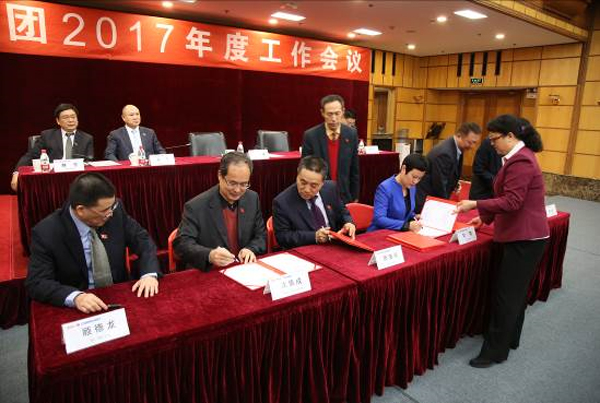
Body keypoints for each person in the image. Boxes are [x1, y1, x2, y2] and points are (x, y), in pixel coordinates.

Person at [455, 115, 549, 368]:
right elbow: (508, 198)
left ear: (510, 136)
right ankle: (510, 339)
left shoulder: (521, 161)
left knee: (506, 296)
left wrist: (475, 204)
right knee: (515, 294)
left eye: (494, 139)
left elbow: (512, 201)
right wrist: (484, 218)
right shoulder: (517, 157)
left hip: (525, 237)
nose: (491, 144)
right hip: (525, 235)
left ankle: (494, 352)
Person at [25, 172, 161, 314]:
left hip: (120, 294)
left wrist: (149, 274)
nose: (110, 213)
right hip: (81, 306)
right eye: (104, 211)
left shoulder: (115, 212)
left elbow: (142, 240)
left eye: (112, 206)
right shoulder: (47, 232)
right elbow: (37, 282)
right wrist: (76, 297)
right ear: (81, 210)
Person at [173, 152, 266, 271]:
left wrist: (251, 249)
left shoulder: (252, 199)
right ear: (220, 176)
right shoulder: (196, 206)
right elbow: (182, 244)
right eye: (232, 183)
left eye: (244, 184)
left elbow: (261, 235)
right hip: (211, 272)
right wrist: (209, 255)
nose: (237, 190)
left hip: (243, 269)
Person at [272, 156, 356, 249]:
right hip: (305, 250)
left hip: (334, 246)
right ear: (297, 175)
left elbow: (343, 212)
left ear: (322, 183)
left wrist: (348, 223)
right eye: (303, 182)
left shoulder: (331, 188)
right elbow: (283, 237)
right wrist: (314, 236)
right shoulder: (282, 202)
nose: (307, 189)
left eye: (313, 185)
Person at [11, 103, 94, 192]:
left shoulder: (87, 138)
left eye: (73, 117)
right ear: (58, 121)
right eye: (66, 117)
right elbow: (30, 155)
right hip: (52, 179)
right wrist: (16, 173)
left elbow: (89, 161)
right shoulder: (47, 136)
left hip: (76, 179)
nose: (71, 120)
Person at [302, 94, 360, 204]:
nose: (333, 118)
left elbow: (354, 169)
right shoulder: (311, 136)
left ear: (343, 111)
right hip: (318, 195)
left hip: (344, 195)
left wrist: (355, 196)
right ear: (322, 113)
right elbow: (305, 170)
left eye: (337, 113)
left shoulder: (351, 134)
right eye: (330, 114)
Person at [415, 122, 481, 213]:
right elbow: (440, 184)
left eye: (475, 143)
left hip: (433, 196)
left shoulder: (455, 147)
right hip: (427, 200)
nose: (472, 146)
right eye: (470, 142)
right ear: (459, 136)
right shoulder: (445, 153)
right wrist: (446, 206)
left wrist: (454, 183)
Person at [368, 153, 429, 232]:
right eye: (414, 177)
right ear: (404, 169)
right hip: (380, 233)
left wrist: (414, 216)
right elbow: (379, 219)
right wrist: (406, 225)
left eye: (419, 178)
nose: (415, 181)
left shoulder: (411, 187)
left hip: (399, 233)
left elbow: (404, 210)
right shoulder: (385, 188)